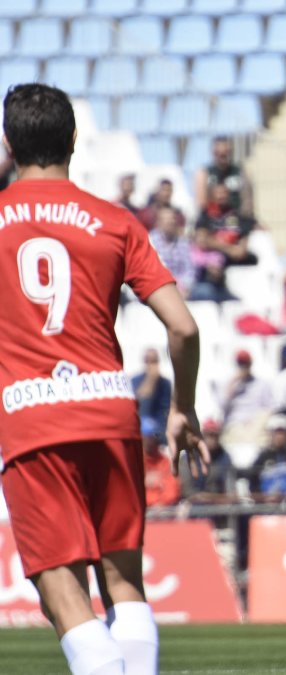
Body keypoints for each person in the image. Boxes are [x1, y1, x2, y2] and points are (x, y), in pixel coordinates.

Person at [0, 83, 207, 675]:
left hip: (32, 420)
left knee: (63, 600)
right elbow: (185, 329)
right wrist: (183, 408)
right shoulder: (115, 222)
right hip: (109, 412)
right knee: (125, 585)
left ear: (8, 143)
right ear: (72, 140)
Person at [220, 349, 275, 446]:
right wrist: (232, 385)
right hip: (236, 423)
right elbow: (223, 407)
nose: (244, 367)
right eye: (241, 364)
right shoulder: (229, 384)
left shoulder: (261, 384)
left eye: (246, 364)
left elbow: (270, 407)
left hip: (255, 423)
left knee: (262, 420)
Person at [194, 136, 253, 216]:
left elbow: (248, 200)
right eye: (218, 154)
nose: (222, 157)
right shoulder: (204, 173)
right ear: (213, 153)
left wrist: (245, 220)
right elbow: (201, 203)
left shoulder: (239, 171)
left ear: (230, 152)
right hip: (212, 219)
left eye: (225, 153)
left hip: (237, 218)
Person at [148, 206, 195, 298]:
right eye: (166, 219)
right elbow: (149, 270)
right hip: (157, 288)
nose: (170, 222)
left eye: (172, 218)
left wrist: (183, 286)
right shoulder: (150, 242)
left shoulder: (183, 243)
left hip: (181, 289)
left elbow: (190, 270)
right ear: (158, 222)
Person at [131, 348, 172, 444]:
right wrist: (150, 381)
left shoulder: (165, 383)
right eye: (147, 361)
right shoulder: (136, 381)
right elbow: (140, 408)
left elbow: (165, 411)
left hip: (158, 433)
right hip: (141, 431)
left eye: (154, 361)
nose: (150, 365)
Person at [141, 420, 181, 508]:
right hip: (141, 510)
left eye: (153, 437)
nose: (150, 440)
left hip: (162, 511)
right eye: (147, 437)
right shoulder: (134, 462)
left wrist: (161, 504)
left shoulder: (164, 461)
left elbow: (173, 489)